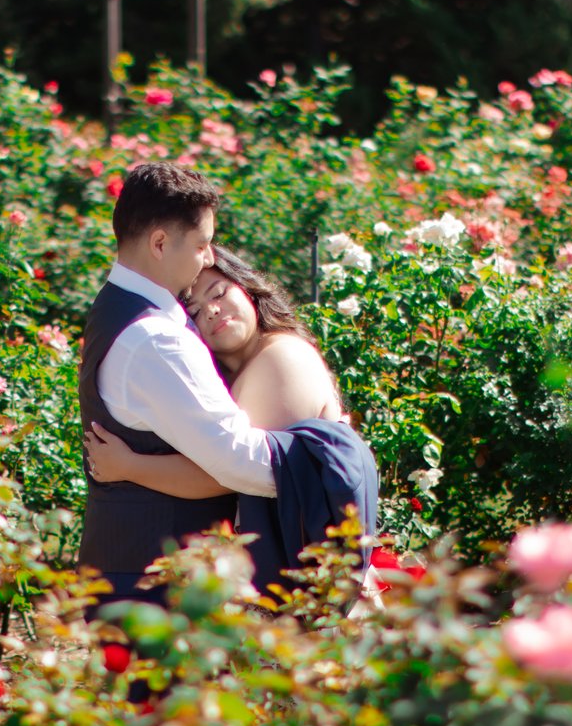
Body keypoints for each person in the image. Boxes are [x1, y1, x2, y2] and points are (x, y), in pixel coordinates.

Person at [86, 245, 380, 597]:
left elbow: (231, 469)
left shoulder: (280, 358)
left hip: (308, 582)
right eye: (194, 311)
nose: (212, 310)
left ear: (247, 288)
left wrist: (129, 466)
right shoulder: (232, 373)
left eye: (219, 293)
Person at [75, 162, 280, 604]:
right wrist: (324, 452)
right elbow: (239, 461)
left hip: (131, 573)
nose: (210, 259)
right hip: (156, 587)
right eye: (202, 245)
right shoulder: (155, 339)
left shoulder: (115, 308)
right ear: (160, 243)